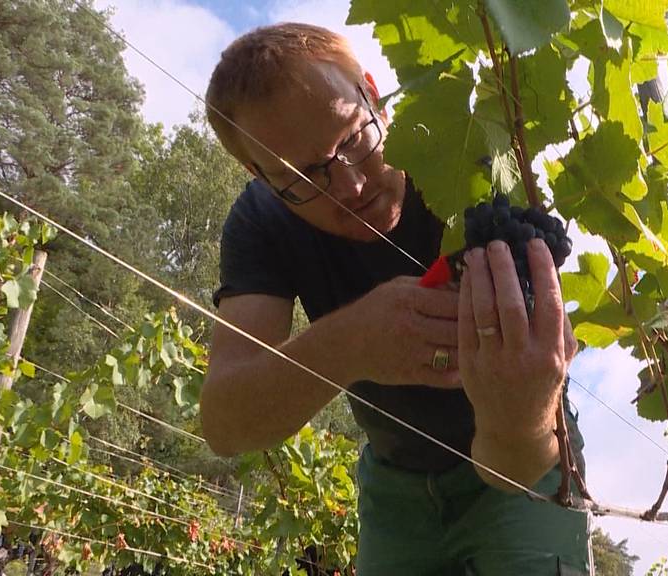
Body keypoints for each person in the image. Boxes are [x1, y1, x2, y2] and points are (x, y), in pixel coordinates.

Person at [200, 22, 590, 575]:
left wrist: (518, 422)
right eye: (304, 178)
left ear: (372, 92)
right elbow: (225, 423)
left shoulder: (479, 163)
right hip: (394, 486)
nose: (351, 186)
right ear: (257, 175)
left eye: (351, 139)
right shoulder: (261, 222)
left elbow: (519, 461)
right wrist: (349, 344)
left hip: (529, 448)